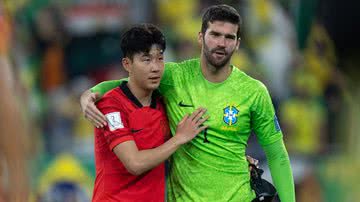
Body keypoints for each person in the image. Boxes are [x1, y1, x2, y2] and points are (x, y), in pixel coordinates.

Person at [82, 5, 295, 202]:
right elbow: (128, 82)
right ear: (200, 37)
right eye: (215, 35)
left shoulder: (254, 92)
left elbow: (277, 154)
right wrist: (90, 94)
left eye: (229, 37)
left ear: (238, 43)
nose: (221, 43)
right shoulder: (174, 77)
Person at [91, 24, 208, 202]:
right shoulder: (111, 106)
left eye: (159, 58)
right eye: (146, 60)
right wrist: (179, 138)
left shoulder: (164, 102)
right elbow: (134, 163)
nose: (155, 67)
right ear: (127, 64)